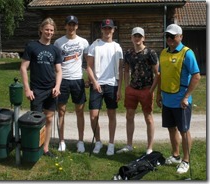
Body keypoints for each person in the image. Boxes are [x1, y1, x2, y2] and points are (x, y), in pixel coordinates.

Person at [156, 24, 201, 174]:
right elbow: (161, 75)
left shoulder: (187, 53)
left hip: (181, 101)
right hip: (167, 99)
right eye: (167, 36)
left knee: (184, 130)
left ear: (180, 37)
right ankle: (176, 155)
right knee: (171, 128)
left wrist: (186, 97)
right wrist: (158, 94)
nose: (169, 39)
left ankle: (186, 160)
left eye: (173, 36)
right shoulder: (163, 53)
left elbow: (196, 76)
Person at [20, 17, 62, 157]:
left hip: (51, 90)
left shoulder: (55, 50)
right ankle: (34, 147)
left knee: (49, 118)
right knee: (36, 120)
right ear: (41, 30)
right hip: (36, 90)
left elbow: (59, 71)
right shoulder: (32, 46)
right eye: (46, 30)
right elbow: (23, 68)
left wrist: (57, 86)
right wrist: (27, 89)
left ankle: (45, 148)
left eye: (51, 30)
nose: (49, 32)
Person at [117, 27, 159, 155]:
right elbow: (126, 70)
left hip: (146, 89)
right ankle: (129, 144)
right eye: (135, 36)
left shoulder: (150, 53)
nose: (137, 39)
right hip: (132, 89)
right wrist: (127, 87)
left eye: (139, 36)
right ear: (131, 38)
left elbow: (157, 73)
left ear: (143, 38)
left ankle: (149, 148)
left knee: (148, 118)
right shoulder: (129, 53)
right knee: (129, 116)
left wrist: (151, 90)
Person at [86, 19, 123, 156]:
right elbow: (89, 66)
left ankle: (111, 144)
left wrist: (119, 89)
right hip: (97, 84)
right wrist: (94, 82)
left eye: (110, 28)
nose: (107, 31)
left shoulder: (117, 47)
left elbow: (120, 69)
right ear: (101, 29)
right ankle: (98, 141)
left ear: (113, 30)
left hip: (112, 85)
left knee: (111, 114)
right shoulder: (95, 45)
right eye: (105, 28)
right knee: (93, 115)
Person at [54, 15, 89, 153]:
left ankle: (80, 141)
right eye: (69, 24)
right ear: (65, 26)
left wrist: (89, 78)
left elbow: (88, 62)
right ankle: (61, 141)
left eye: (74, 25)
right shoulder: (58, 43)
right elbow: (55, 64)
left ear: (77, 26)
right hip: (62, 80)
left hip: (77, 80)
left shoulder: (83, 42)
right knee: (61, 111)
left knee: (79, 111)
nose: (71, 27)